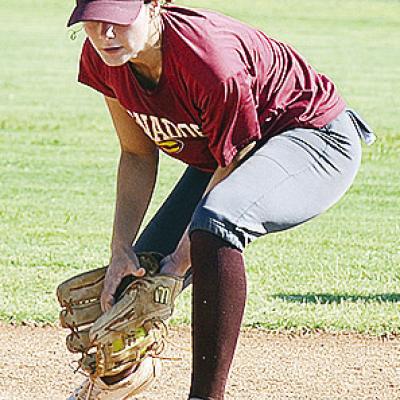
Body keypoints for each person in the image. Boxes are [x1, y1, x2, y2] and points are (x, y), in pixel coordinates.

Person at [65, 0, 375, 398]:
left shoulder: (209, 61)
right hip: (228, 150)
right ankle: (111, 385)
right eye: (94, 21)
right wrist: (120, 249)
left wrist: (177, 266)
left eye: (119, 20)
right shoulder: (104, 57)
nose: (105, 34)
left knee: (214, 226)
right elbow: (138, 154)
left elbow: (237, 160)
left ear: (154, 5)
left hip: (313, 139)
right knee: (136, 279)